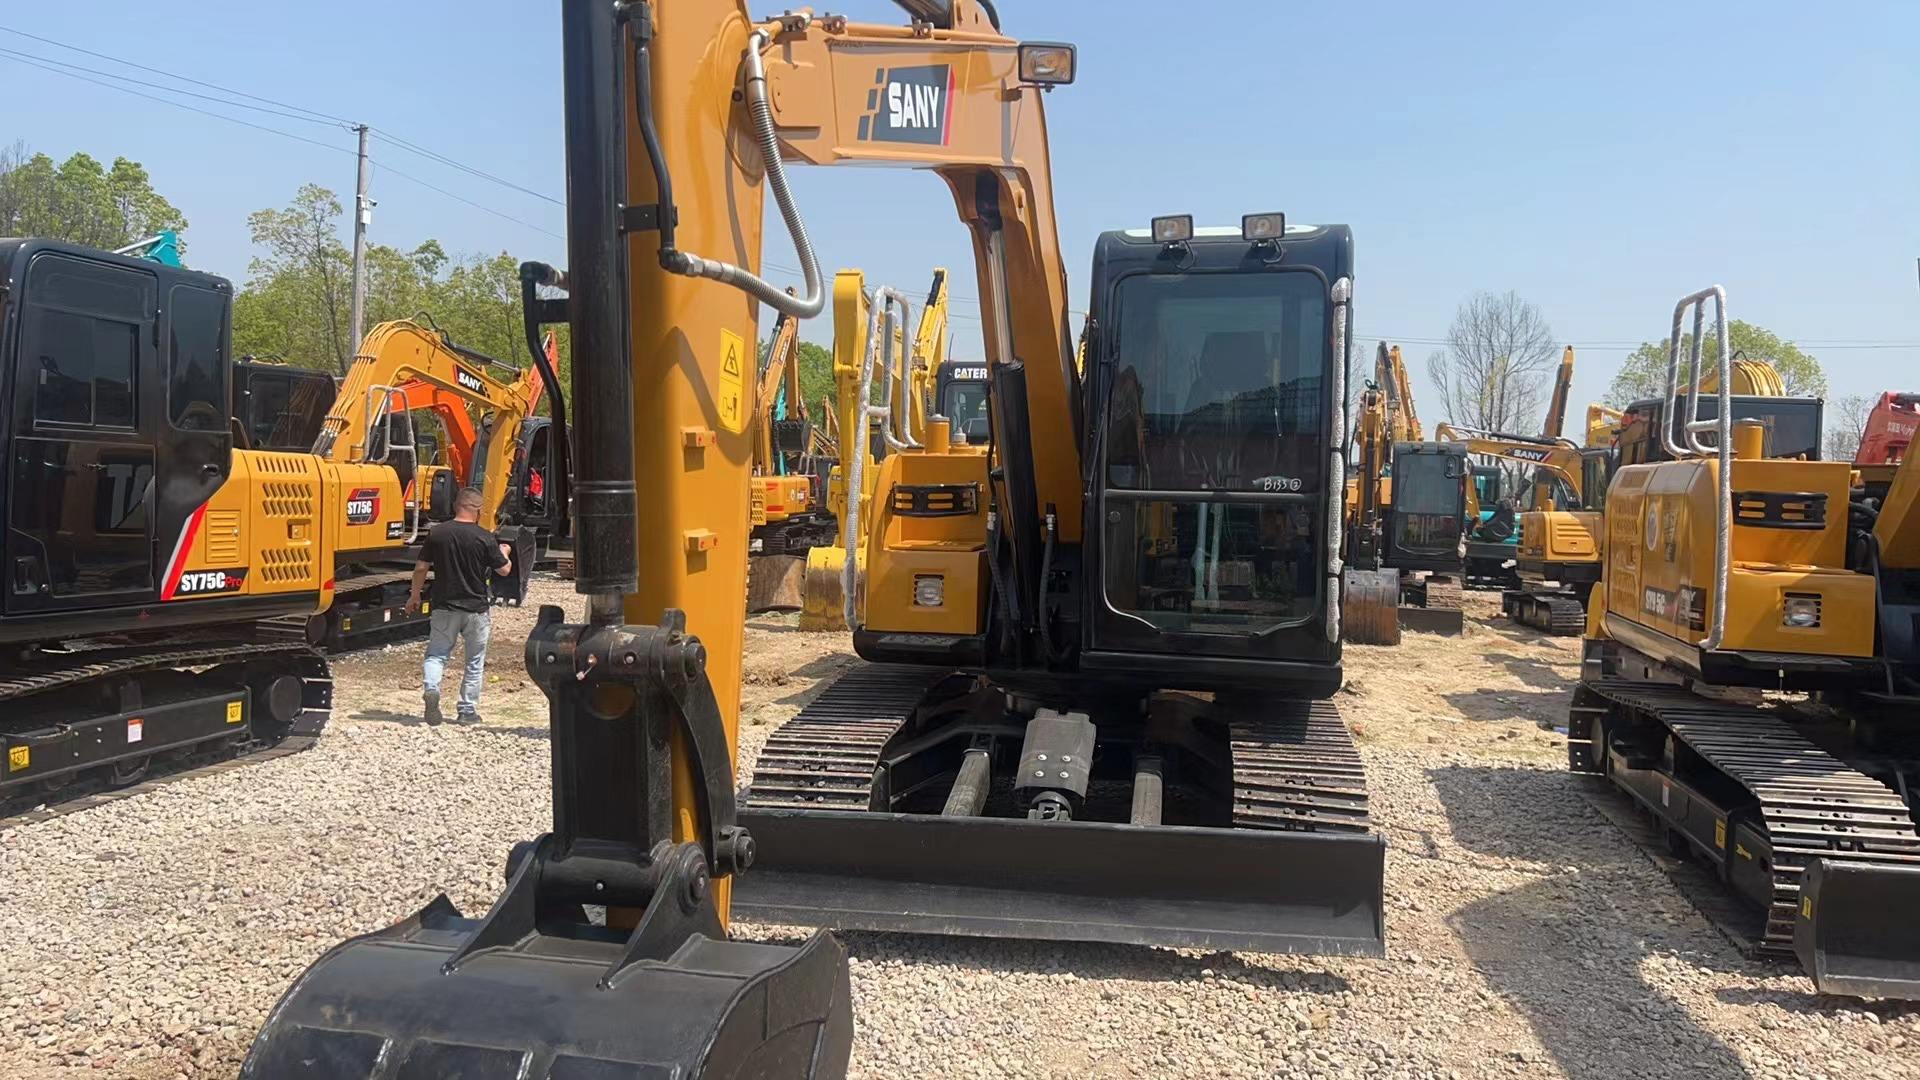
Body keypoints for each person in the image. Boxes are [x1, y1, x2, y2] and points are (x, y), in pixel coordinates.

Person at [406, 487, 512, 724]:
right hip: (476, 609)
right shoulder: (484, 537)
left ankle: (432, 688)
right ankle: (467, 711)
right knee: (474, 662)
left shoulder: (437, 533)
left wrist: (414, 596)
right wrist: (504, 551)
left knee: (436, 654)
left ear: (456, 506)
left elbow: (421, 568)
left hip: (444, 606)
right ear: (477, 510)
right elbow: (504, 570)